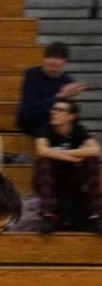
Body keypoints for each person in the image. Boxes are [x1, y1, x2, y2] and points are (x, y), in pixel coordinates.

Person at [33, 99, 102, 233]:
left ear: (72, 116)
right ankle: (47, 215)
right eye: (53, 109)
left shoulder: (78, 130)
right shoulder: (46, 129)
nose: (54, 113)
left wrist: (60, 152)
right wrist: (73, 158)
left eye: (60, 110)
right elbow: (41, 150)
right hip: (51, 180)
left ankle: (95, 216)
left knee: (92, 161)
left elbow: (95, 150)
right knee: (44, 161)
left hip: (74, 180)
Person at [18, 42, 86, 138]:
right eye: (51, 59)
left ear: (65, 62)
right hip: (30, 119)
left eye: (58, 60)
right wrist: (60, 95)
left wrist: (71, 97)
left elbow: (66, 110)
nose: (54, 65)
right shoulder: (31, 75)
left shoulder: (67, 81)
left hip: (54, 121)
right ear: (44, 59)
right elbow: (30, 107)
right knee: (52, 129)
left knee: (73, 128)